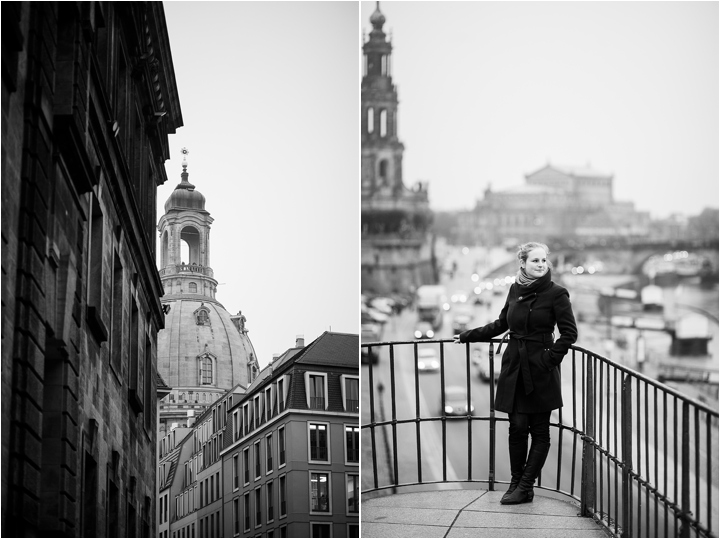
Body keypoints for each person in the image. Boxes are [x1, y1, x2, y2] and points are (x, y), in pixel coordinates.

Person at [453, 241, 577, 504]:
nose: (541, 265)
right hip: (515, 366)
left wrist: (550, 359)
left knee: (540, 432)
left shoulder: (557, 293)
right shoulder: (514, 289)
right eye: (535, 260)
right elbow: (501, 324)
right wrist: (467, 336)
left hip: (541, 370)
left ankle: (525, 485)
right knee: (517, 428)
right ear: (522, 263)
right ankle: (516, 484)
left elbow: (570, 334)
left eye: (544, 260)